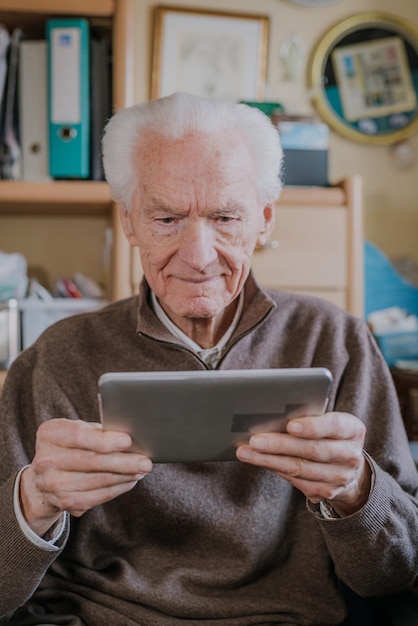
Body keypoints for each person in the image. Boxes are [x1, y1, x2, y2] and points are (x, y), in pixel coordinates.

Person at [0, 91, 417, 626]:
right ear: (129, 222)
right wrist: (33, 501)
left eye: (224, 217)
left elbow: (393, 575)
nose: (198, 258)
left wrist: (356, 490)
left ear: (264, 220)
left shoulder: (337, 341)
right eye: (167, 219)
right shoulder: (56, 357)